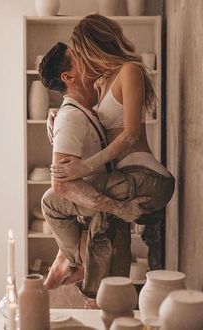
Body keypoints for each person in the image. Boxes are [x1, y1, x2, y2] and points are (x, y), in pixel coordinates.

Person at [50, 14, 175, 270]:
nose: (81, 62)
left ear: (95, 46)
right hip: (126, 178)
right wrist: (53, 113)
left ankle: (72, 264)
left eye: (81, 54)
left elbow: (130, 135)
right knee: (95, 210)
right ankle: (80, 267)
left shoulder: (129, 71)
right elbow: (83, 115)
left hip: (145, 176)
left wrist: (85, 167)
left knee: (55, 200)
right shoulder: (102, 81)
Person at [39, 42, 152, 301]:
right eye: (78, 56)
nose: (87, 55)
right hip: (99, 217)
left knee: (113, 300)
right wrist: (120, 208)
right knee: (105, 303)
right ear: (68, 77)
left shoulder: (89, 105)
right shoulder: (70, 118)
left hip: (104, 217)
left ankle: (66, 261)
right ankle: (68, 260)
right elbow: (61, 187)